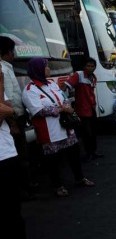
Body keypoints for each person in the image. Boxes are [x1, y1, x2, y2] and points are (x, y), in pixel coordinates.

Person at [0, 68, 54, 239]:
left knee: (13, 215)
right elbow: (6, 111)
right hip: (2, 158)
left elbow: (8, 107)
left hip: (6, 153)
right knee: (9, 217)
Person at [22, 58, 94, 197]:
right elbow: (37, 111)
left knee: (74, 153)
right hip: (49, 131)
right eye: (46, 67)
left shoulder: (51, 84)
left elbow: (64, 97)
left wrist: (66, 105)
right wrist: (61, 109)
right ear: (37, 70)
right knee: (52, 161)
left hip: (65, 127)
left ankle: (80, 178)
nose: (49, 69)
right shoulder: (29, 90)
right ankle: (58, 186)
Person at [0, 36, 35, 198]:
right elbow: (5, 101)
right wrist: (12, 122)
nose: (14, 54)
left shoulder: (6, 67)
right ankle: (24, 189)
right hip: (11, 120)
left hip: (14, 117)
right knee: (20, 156)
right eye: (12, 51)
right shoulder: (3, 70)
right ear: (7, 52)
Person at [64, 57, 103, 161]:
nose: (90, 68)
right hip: (82, 110)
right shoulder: (79, 75)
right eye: (88, 66)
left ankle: (93, 152)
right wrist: (65, 101)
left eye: (92, 66)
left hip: (91, 108)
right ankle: (88, 153)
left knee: (93, 132)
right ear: (84, 66)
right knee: (86, 133)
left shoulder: (93, 77)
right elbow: (66, 86)